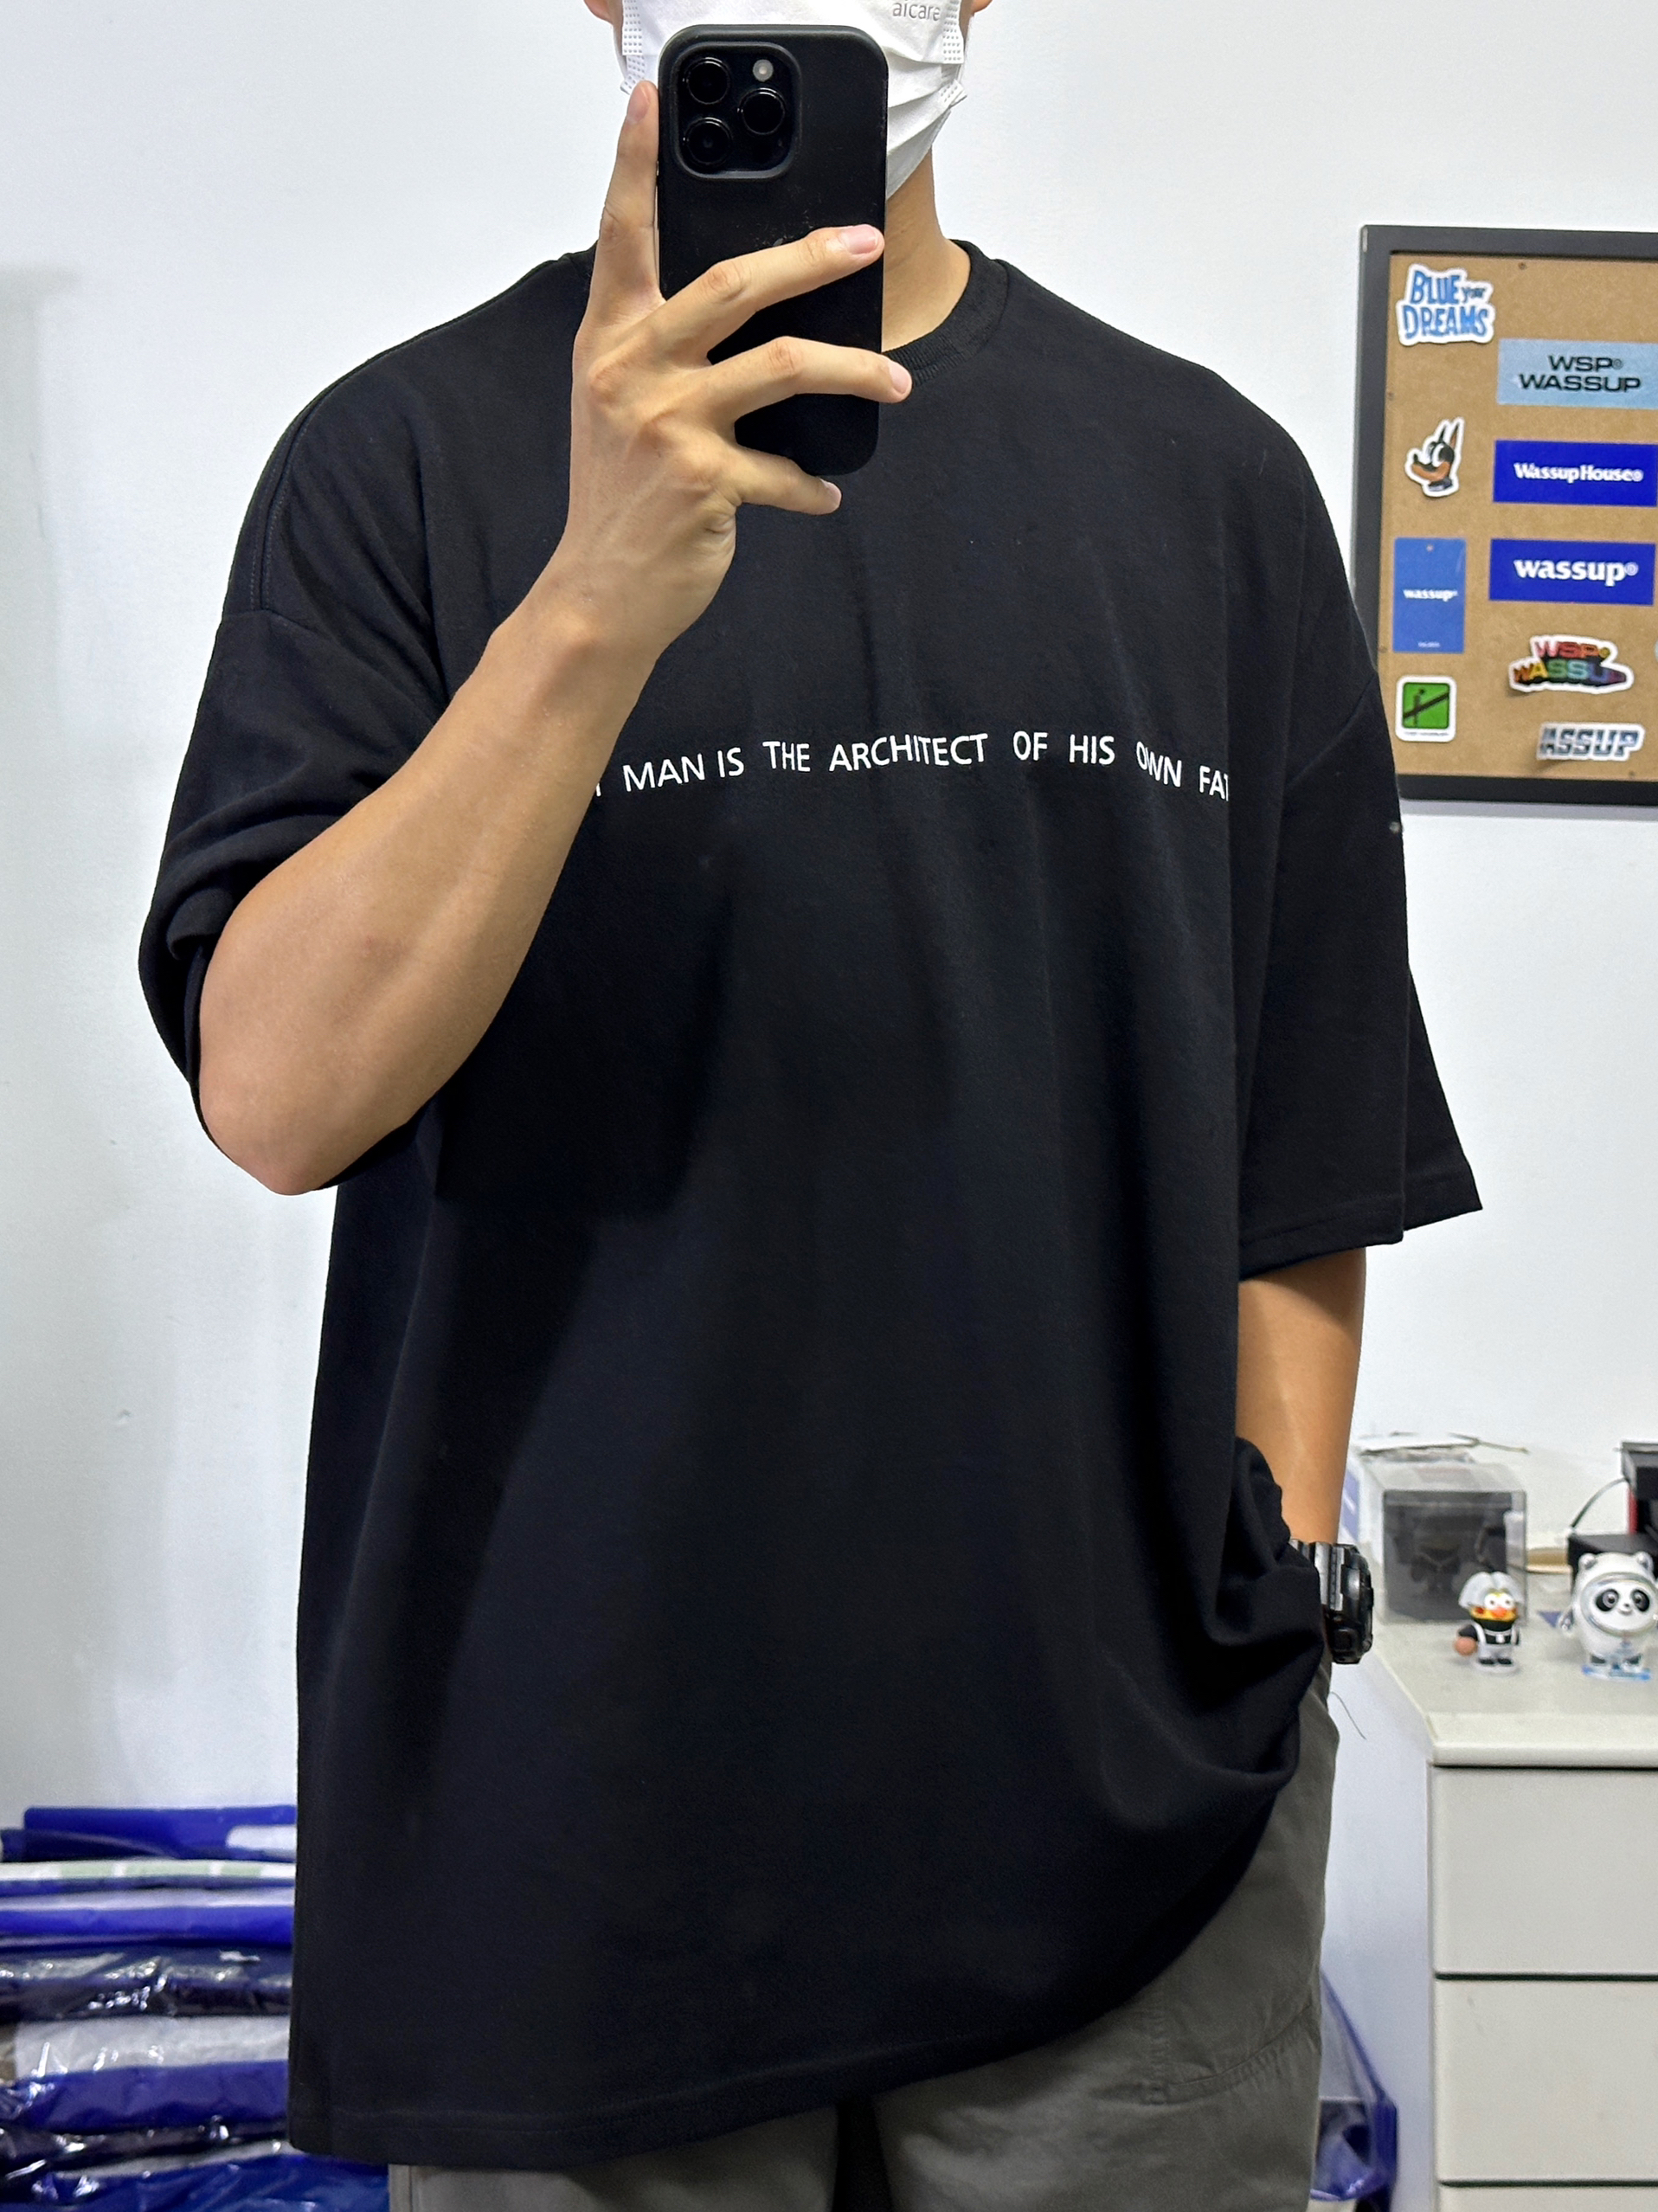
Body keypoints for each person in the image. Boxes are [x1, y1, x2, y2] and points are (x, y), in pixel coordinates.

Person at [140, 0, 1479, 2203]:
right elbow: (277, 1097)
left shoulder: (1209, 484)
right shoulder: (395, 466)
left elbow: (1304, 1140)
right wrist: (590, 608)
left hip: (1123, 1847)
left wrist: (1281, 1586)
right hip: (569, 1838)